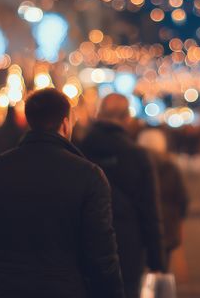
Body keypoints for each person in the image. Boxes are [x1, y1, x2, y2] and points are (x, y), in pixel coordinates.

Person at [0, 88, 124, 297]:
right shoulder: (88, 175)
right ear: (65, 124)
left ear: (29, 122)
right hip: (67, 288)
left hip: (8, 287)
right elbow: (101, 254)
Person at [80, 93, 166, 298]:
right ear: (127, 118)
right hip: (128, 242)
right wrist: (157, 260)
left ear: (99, 114)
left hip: (86, 240)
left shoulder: (80, 150)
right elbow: (149, 209)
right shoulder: (137, 155)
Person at [137, 128, 189, 263]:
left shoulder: (136, 166)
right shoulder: (170, 167)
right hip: (167, 224)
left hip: (142, 225)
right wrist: (180, 217)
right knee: (162, 265)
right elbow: (182, 196)